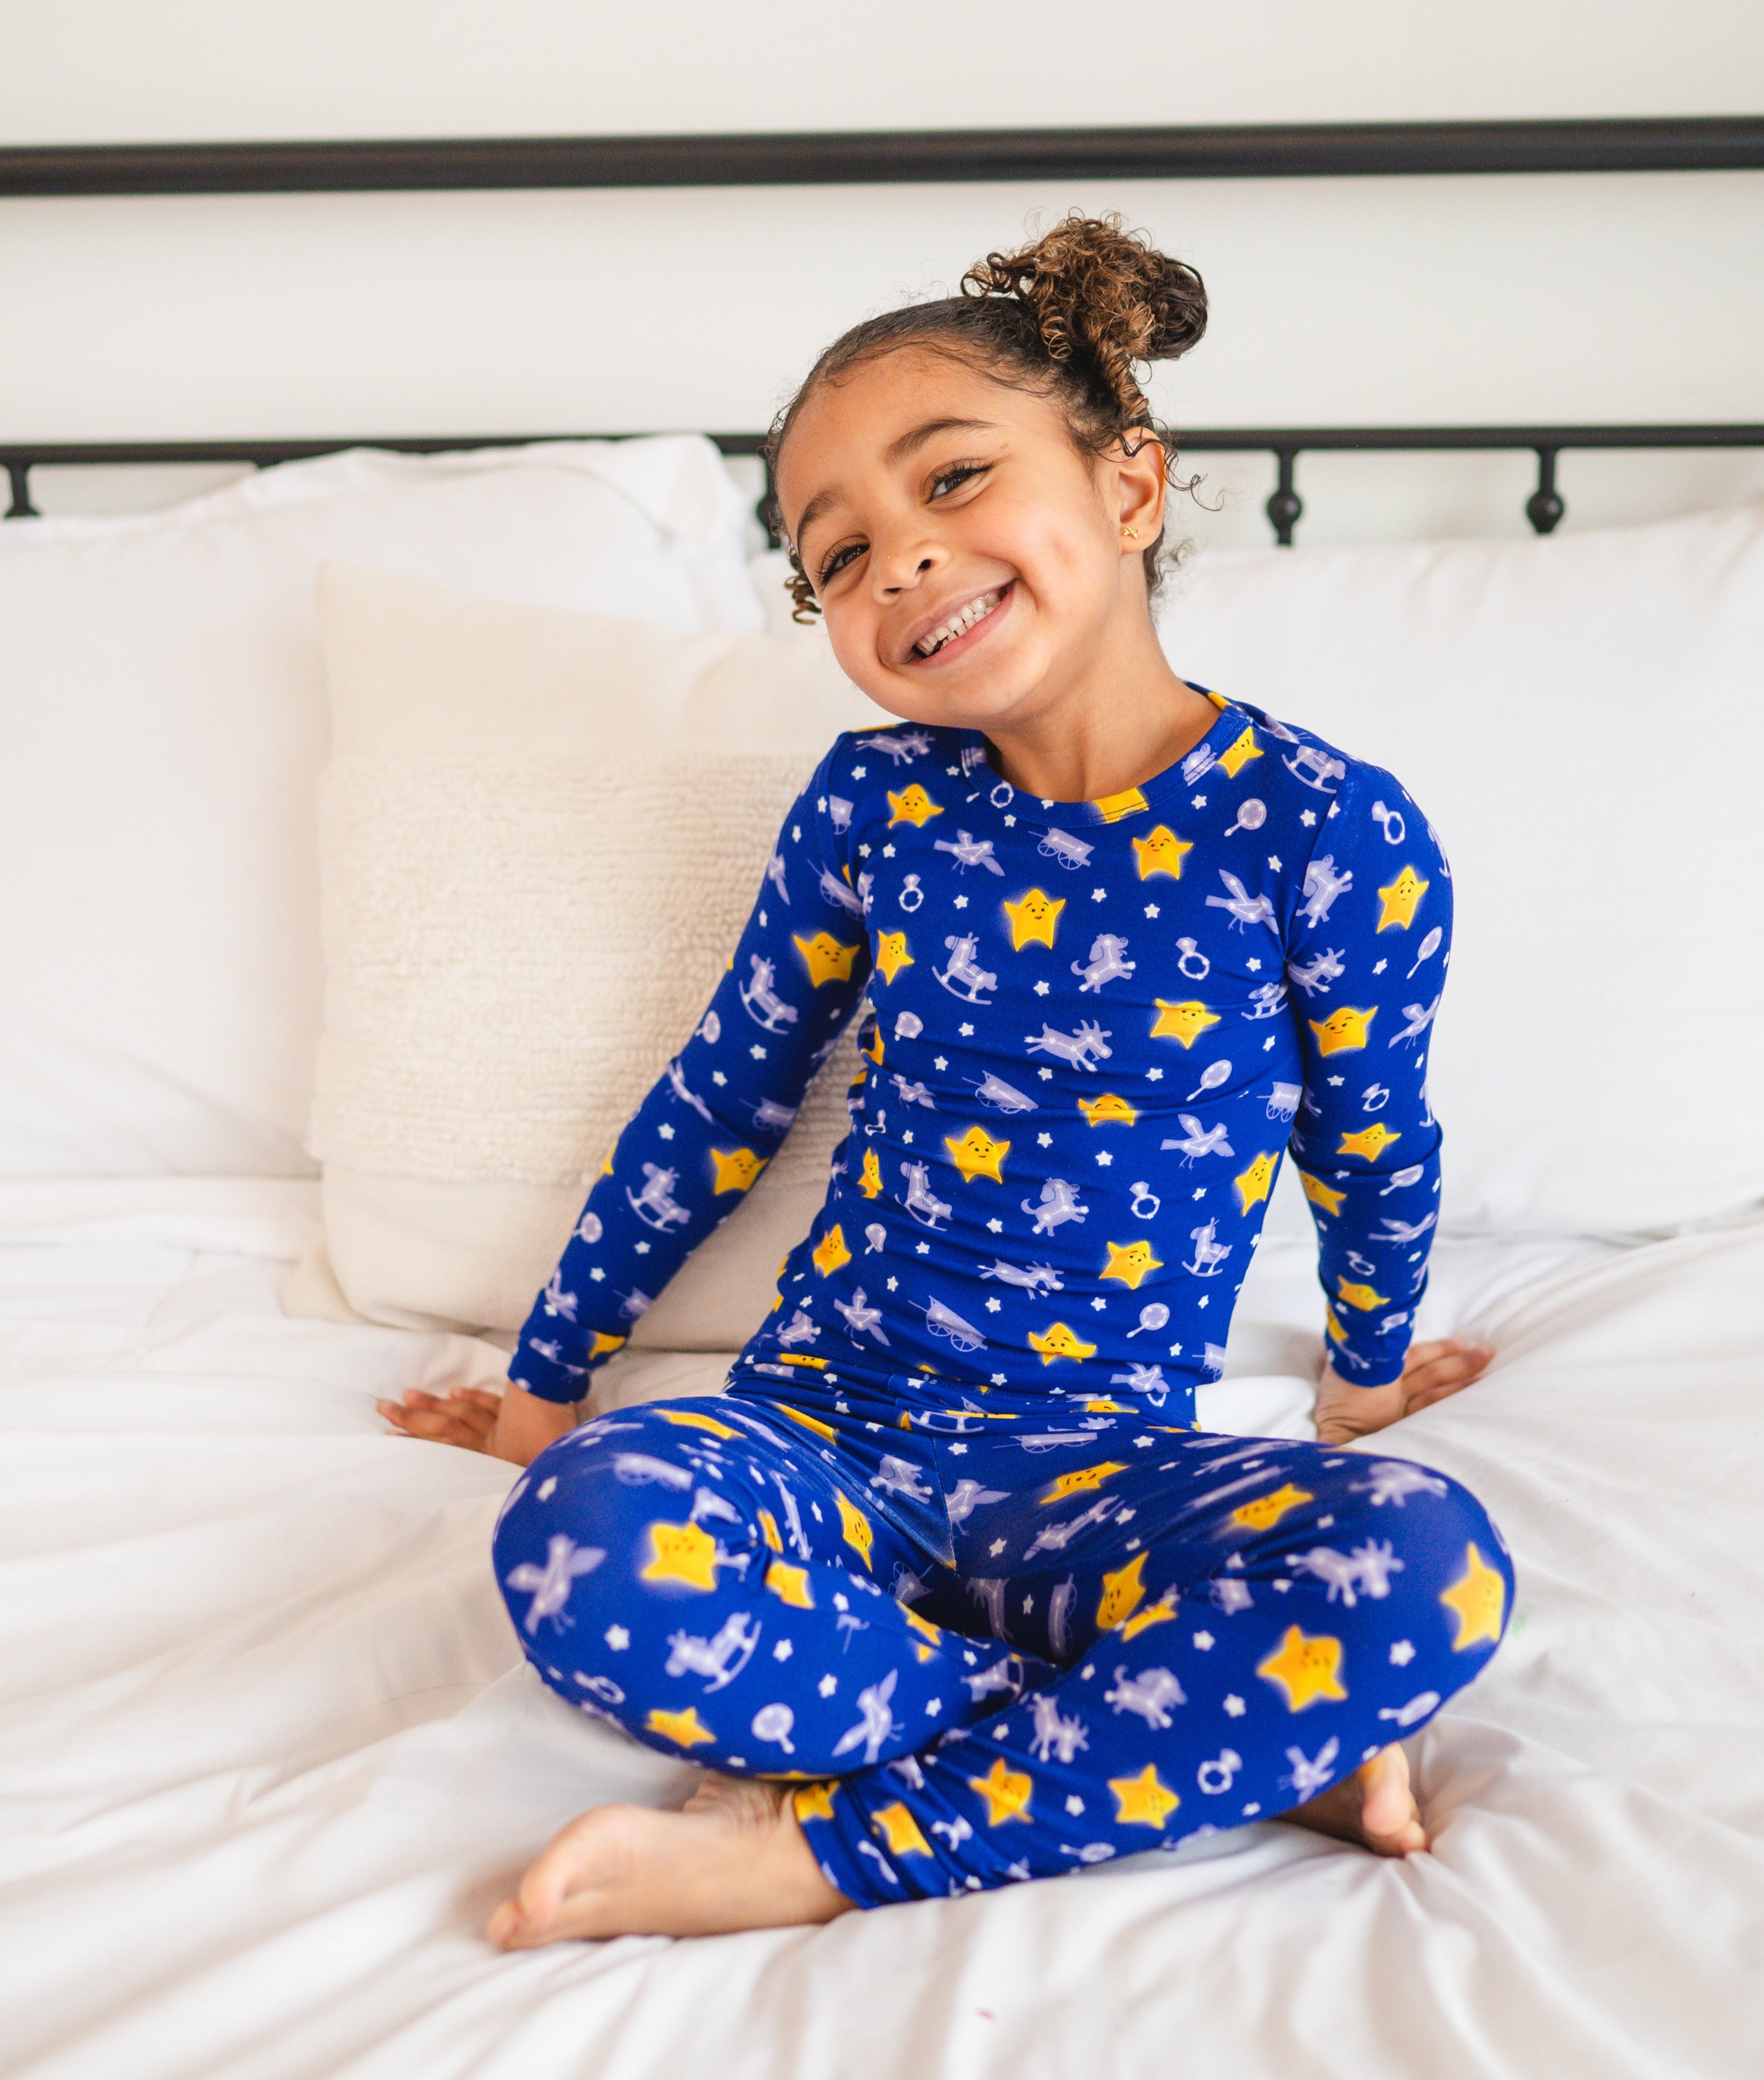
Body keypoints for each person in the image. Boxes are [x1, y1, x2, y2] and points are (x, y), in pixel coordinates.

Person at [380, 215, 1507, 1944]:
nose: (900, 561)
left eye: (955, 480)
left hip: (1099, 1469)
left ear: (1131, 483)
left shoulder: (1328, 829)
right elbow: (721, 1102)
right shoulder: (873, 805)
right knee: (581, 1541)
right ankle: (1196, 1740)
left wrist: (1359, 1384)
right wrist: (545, 1396)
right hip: (815, 1439)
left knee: (1430, 1565)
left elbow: (1372, 1135)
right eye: (836, 555)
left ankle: (803, 1852)